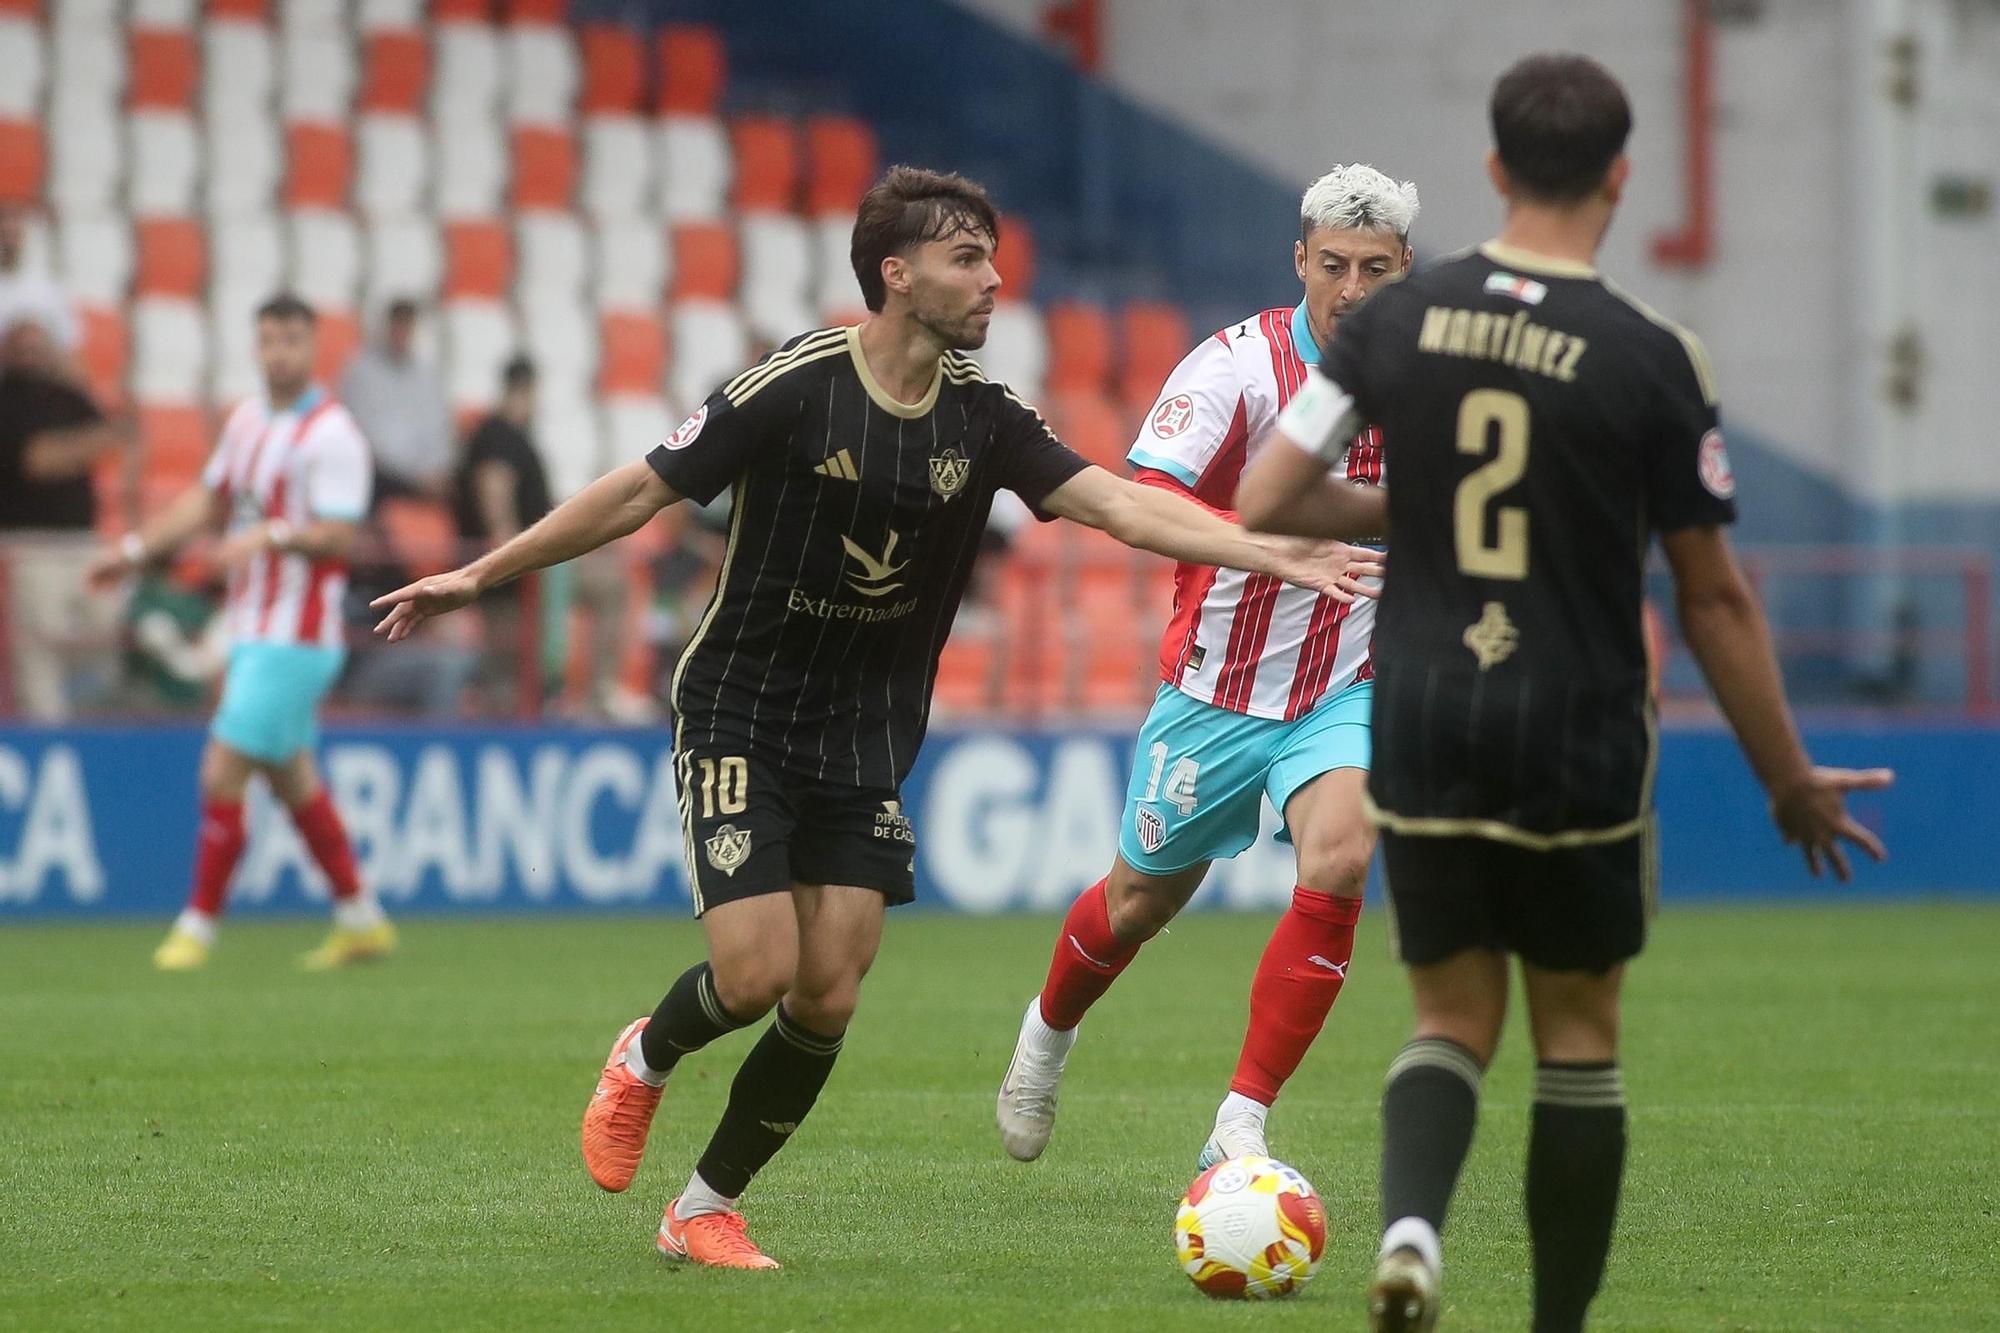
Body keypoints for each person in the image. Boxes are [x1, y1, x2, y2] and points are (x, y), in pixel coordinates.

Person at [370, 166, 1385, 1271]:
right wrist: (480, 575)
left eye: (992, 258)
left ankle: (703, 1207)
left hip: (865, 728)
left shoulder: (985, 416)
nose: (993, 281)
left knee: (829, 989)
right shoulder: (796, 385)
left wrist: (1267, 549)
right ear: (897, 275)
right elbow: (640, 489)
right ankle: (647, 1055)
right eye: (967, 259)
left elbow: (1120, 505)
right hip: (743, 707)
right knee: (753, 974)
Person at [1235, 55, 1893, 1333]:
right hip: (1577, 724)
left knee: (1446, 1015)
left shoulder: (1394, 322)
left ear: (1492, 169)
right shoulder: (1651, 355)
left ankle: (1410, 1231)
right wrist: (1785, 778)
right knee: (1576, 1036)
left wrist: (1414, 506)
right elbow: (1711, 597)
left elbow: (1268, 496)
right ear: (1619, 178)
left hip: (1425, 714)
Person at [994, 163, 1415, 1169]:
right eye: (1333, 265)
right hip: (1217, 688)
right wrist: (1276, 545)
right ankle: (1045, 1033)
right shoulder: (1237, 367)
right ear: (1298, 260)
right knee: (1136, 903)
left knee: (1341, 856)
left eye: (1374, 268)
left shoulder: (1436, 382)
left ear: (1406, 270)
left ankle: (1240, 1121)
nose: (1353, 289)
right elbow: (1142, 500)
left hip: (1348, 684)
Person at [88, 295, 397, 973]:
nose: (278, 352)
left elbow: (339, 536)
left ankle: (196, 927)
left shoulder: (333, 434)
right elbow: (207, 500)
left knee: (223, 768)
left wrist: (272, 535)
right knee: (293, 779)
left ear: (312, 346)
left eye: (291, 339)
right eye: (268, 339)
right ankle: (361, 918)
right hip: (253, 628)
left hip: (299, 636)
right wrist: (135, 550)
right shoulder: (248, 421)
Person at [0, 318, 122, 719]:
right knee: (39, 643)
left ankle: (93, 721)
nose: (30, 354)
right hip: (30, 545)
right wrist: (81, 447)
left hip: (82, 541)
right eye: (21, 346)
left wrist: (65, 448)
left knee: (103, 636)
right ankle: (45, 727)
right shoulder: (6, 401)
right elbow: (37, 461)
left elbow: (116, 435)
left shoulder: (68, 395)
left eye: (37, 345)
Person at [451, 354, 552, 711]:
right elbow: (494, 490)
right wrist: (509, 553)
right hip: (507, 569)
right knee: (505, 650)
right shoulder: (499, 435)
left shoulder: (507, 435)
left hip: (515, 563)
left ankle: (510, 705)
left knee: (510, 653)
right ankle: (503, 712)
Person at [339, 297, 452, 505]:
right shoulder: (361, 371)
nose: (402, 333)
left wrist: (436, 469)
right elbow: (366, 437)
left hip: (427, 475)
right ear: (387, 326)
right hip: (383, 473)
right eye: (398, 325)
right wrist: (415, 475)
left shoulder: (427, 375)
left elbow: (438, 430)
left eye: (407, 326)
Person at [0, 207, 80, 357]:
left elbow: (69, 344)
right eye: (4, 233)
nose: (8, 241)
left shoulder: (46, 286)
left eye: (14, 233)